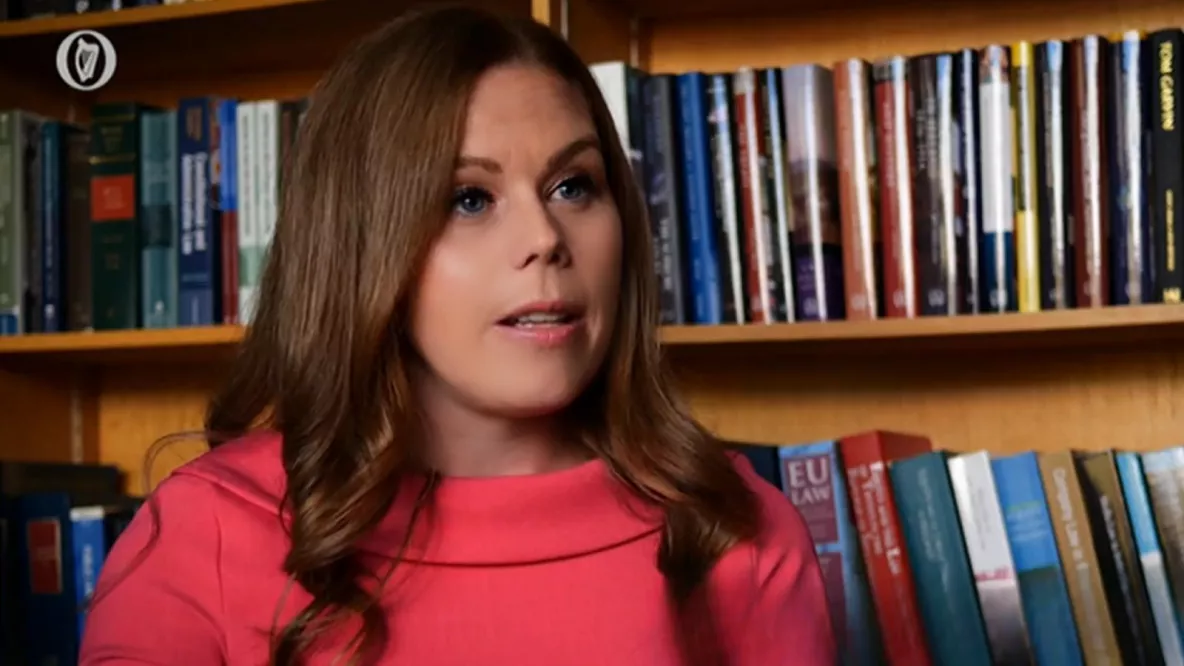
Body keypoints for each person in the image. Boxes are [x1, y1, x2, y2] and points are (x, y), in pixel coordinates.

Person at [79, 5, 834, 665]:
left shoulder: (736, 530)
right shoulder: (205, 532)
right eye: (469, 198)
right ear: (362, 247)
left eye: (574, 186)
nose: (545, 237)